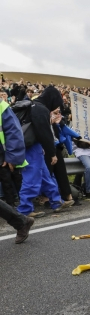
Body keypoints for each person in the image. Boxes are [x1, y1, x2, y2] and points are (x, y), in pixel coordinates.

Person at [17, 86, 74, 218]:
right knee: (32, 177)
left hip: (33, 145)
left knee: (45, 175)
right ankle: (24, 209)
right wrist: (52, 153)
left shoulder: (34, 106)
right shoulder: (41, 109)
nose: (56, 106)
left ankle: (56, 201)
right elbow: (45, 133)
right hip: (31, 147)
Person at [0, 95, 35, 243]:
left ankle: (21, 221)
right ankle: (21, 221)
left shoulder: (1, 106)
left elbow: (14, 130)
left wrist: (12, 156)